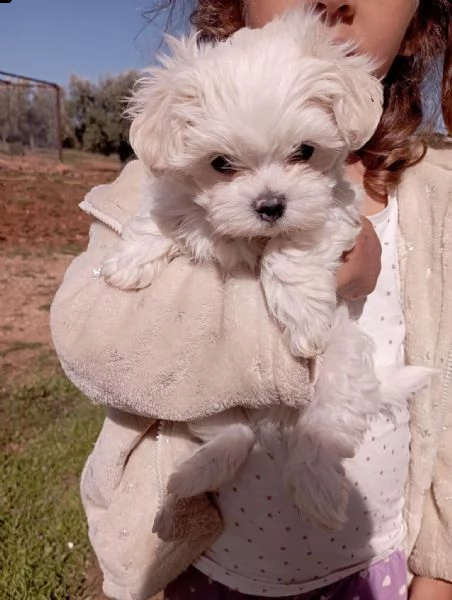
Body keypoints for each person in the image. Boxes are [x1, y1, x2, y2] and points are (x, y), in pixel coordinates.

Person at [50, 1, 452, 599]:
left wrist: (438, 568)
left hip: (375, 558)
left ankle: (310, 452)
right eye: (224, 164)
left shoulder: (430, 192)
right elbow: (96, 330)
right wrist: (149, 249)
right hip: (213, 565)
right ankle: (233, 438)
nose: (269, 196)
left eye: (302, 155)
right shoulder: (158, 193)